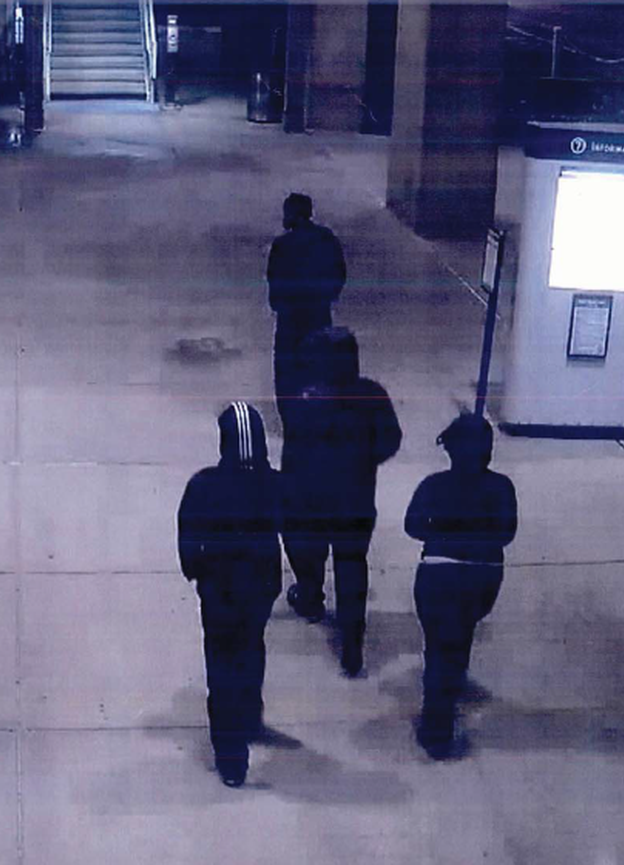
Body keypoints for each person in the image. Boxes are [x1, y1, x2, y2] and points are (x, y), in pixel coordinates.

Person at [281, 327, 401, 676]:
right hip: (356, 499)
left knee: (309, 553)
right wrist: (365, 460)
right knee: (352, 565)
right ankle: (352, 643)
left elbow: (294, 450)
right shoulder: (372, 395)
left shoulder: (306, 400)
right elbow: (390, 439)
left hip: (312, 499)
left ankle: (311, 597)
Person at [178, 402, 283, 788]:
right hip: (259, 588)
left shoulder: (203, 485)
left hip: (219, 592)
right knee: (252, 647)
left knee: (221, 665)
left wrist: (198, 573)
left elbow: (187, 539)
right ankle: (251, 714)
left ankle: (231, 756)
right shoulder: (272, 484)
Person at [404, 414, 518, 760]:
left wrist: (442, 533)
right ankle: (454, 680)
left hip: (438, 571)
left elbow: (412, 526)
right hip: (482, 576)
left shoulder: (433, 485)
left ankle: (435, 723)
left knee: (437, 644)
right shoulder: (501, 487)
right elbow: (507, 533)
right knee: (462, 631)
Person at [267, 193, 347, 428]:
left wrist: (279, 304)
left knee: (286, 370)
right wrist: (328, 297)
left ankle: (291, 419)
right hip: (318, 313)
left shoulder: (282, 245)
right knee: (318, 365)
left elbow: (274, 279)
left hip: (290, 317)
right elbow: (339, 273)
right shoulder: (327, 239)